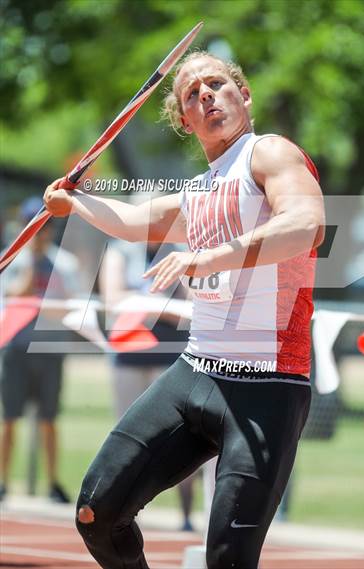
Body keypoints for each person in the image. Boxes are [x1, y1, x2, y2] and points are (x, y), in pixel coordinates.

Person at [43, 51, 325, 569]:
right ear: (183, 120)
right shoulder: (198, 193)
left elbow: (305, 224)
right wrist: (74, 203)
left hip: (268, 386)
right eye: (192, 95)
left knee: (226, 558)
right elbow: (133, 219)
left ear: (245, 95)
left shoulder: (269, 154)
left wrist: (209, 256)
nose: (206, 96)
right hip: (196, 373)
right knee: (96, 512)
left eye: (216, 84)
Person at [99, 238, 195, 531]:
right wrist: (163, 307)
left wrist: (146, 305)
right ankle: (119, 511)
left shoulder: (182, 252)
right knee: (126, 435)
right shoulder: (121, 250)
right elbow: (113, 298)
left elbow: (193, 303)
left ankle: (187, 514)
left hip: (171, 353)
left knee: (181, 434)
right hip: (129, 352)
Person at [0, 197, 80, 503]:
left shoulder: (65, 263)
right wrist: (31, 266)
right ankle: (4, 480)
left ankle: (52, 483)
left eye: (44, 227)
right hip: (16, 349)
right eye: (33, 226)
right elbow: (12, 296)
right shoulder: (12, 260)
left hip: (49, 349)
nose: (39, 234)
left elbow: (73, 305)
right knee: (9, 417)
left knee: (49, 418)